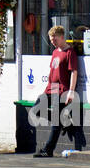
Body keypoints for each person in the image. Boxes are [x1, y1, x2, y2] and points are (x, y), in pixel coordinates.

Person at [33, 24, 86, 157]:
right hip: (51, 88)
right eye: (51, 40)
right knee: (35, 110)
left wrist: (71, 91)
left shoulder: (70, 53)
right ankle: (65, 122)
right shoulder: (55, 52)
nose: (53, 42)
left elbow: (74, 72)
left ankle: (48, 150)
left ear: (62, 37)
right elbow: (52, 71)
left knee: (56, 121)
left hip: (62, 89)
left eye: (54, 39)